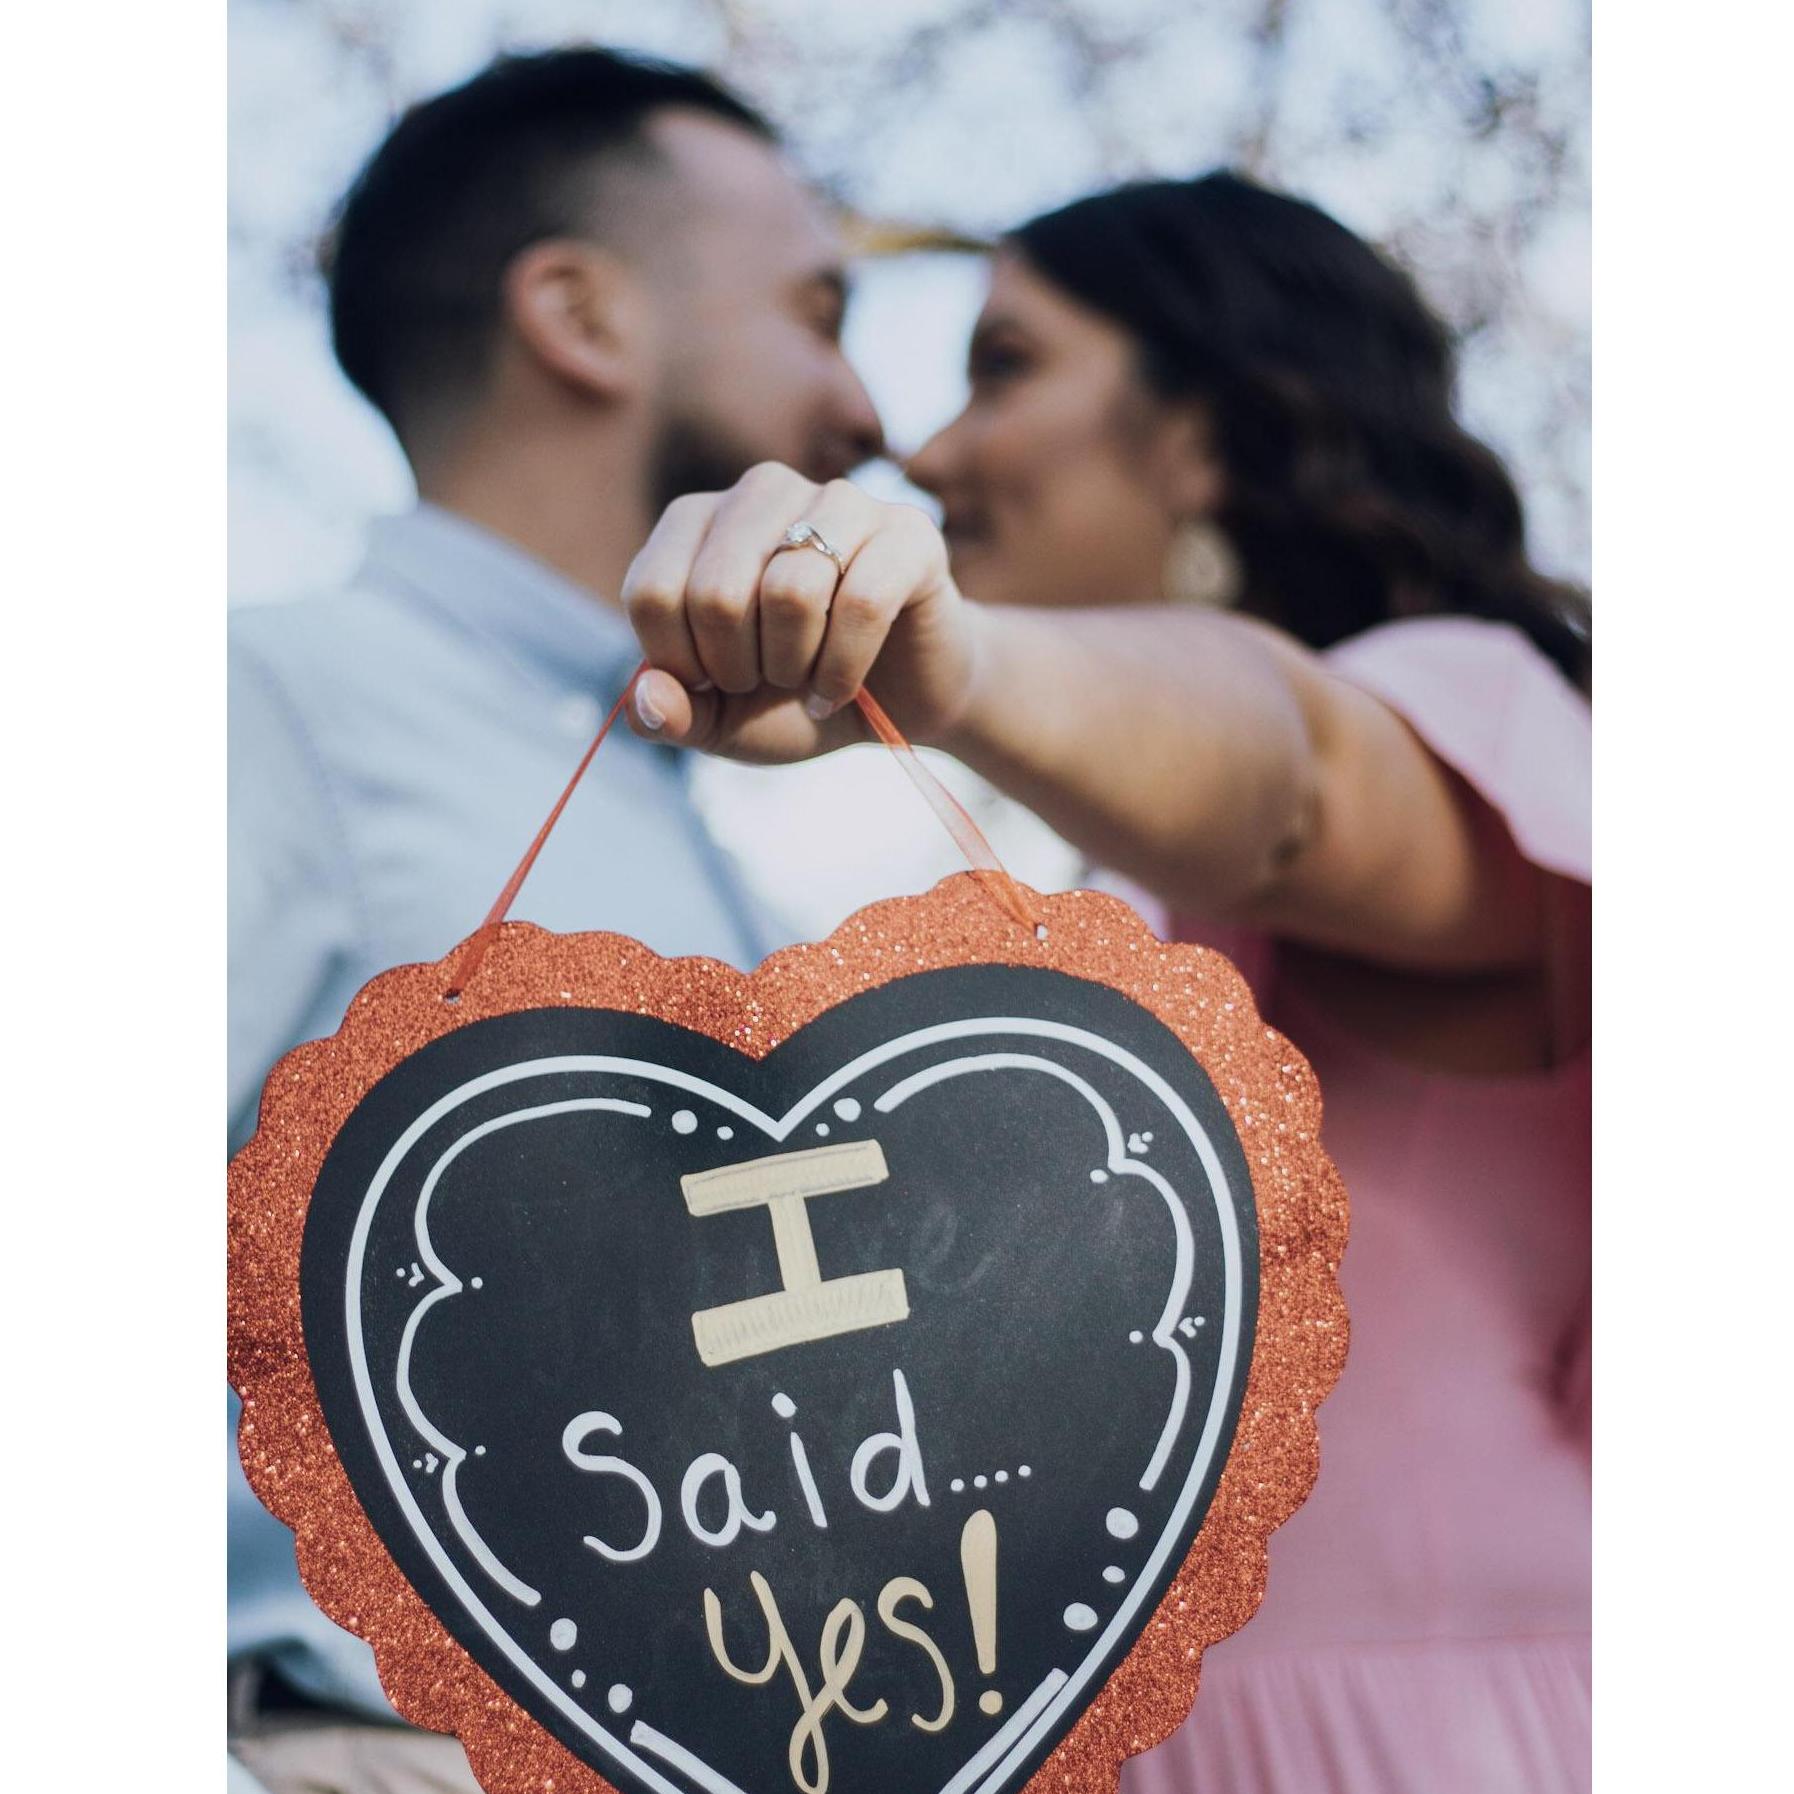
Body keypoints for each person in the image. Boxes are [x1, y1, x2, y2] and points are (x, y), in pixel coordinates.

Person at [618, 172, 1590, 1794]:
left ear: (1204, 434)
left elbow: (1290, 780)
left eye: (1003, 365)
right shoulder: (1122, 902)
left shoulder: (1458, 709)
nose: (928, 453)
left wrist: (959, 665)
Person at [228, 47, 883, 1793]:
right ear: (581, 316)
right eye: (816, 313)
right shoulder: (257, 710)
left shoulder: (694, 813)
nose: (863, 406)